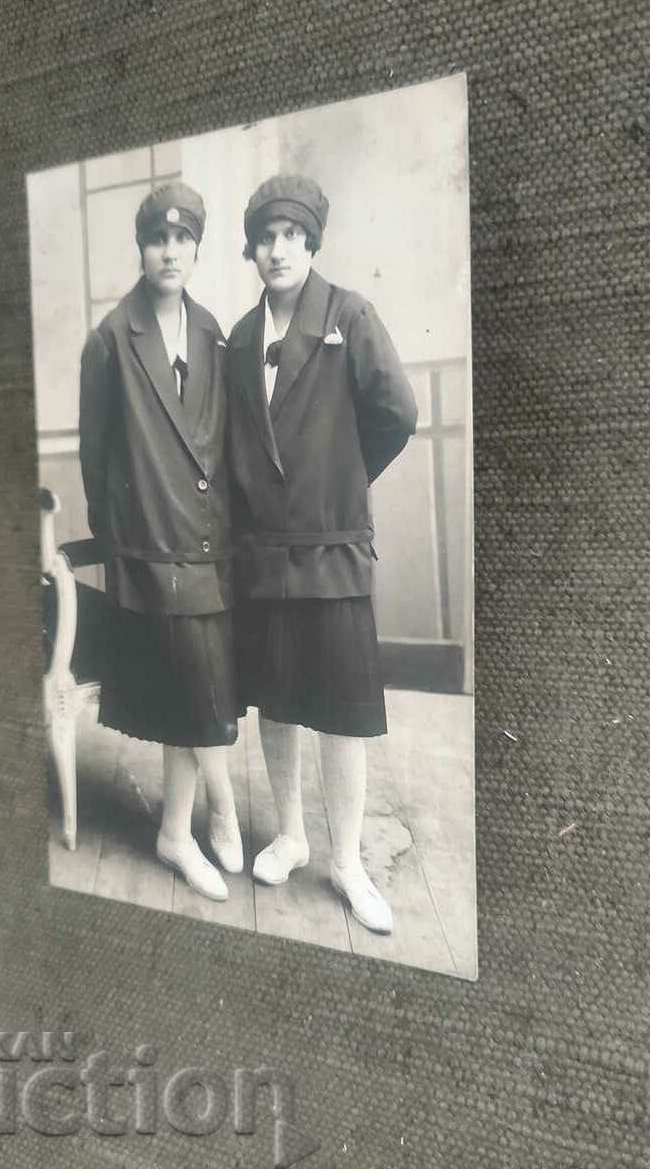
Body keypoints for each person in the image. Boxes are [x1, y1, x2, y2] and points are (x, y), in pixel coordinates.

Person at [226, 174, 418, 934]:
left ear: (311, 244)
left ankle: (345, 859)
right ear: (253, 248)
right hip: (265, 554)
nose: (277, 251)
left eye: (291, 238)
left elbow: (397, 413)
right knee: (277, 705)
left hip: (331, 549)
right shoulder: (240, 339)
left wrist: (340, 479)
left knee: (340, 714)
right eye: (266, 238)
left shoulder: (348, 314)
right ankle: (289, 834)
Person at [78, 181, 242, 902]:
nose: (169, 251)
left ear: (197, 248)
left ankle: (198, 819)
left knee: (200, 693)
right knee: (188, 693)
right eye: (156, 239)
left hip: (206, 546)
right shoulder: (112, 337)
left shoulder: (211, 331)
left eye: (181, 240)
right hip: (149, 549)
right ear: (140, 248)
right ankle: (186, 828)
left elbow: (221, 444)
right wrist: (124, 548)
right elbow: (95, 458)